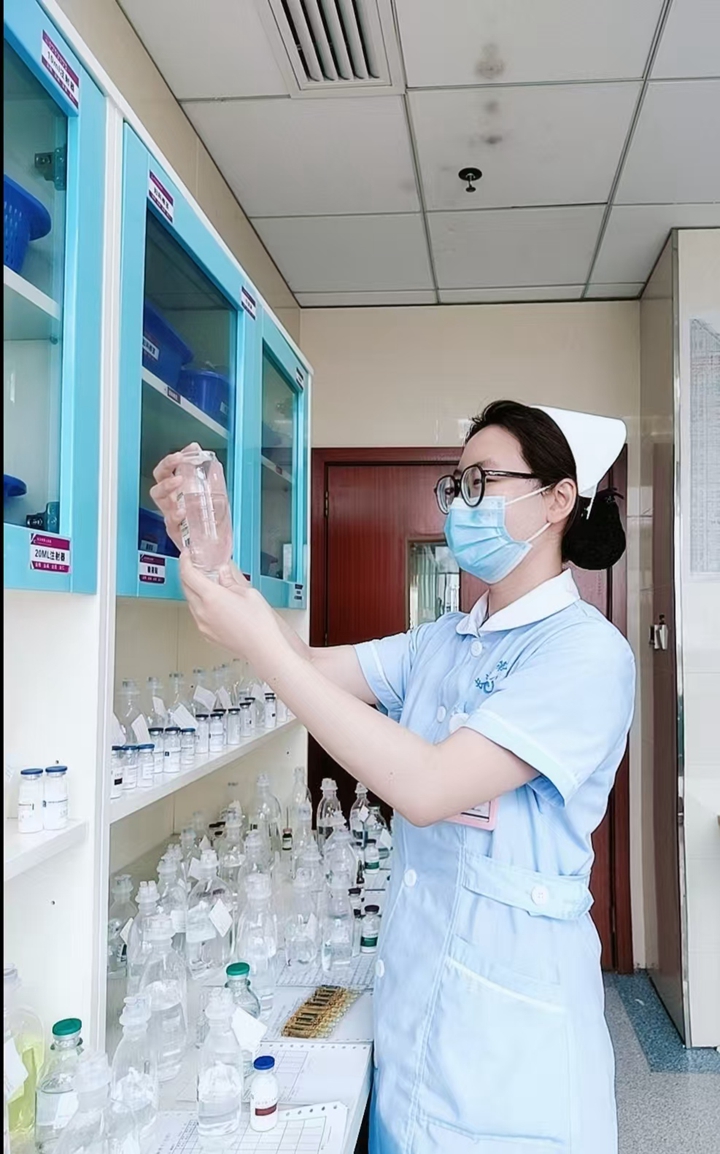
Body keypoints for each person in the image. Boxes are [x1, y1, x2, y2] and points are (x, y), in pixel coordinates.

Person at [151, 400, 635, 1154]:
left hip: (513, 1052)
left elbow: (428, 787)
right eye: (456, 486)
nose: (459, 505)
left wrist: (260, 642)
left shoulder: (586, 654)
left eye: (480, 482)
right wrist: (215, 558)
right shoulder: (443, 641)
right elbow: (305, 667)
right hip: (415, 1021)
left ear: (557, 499)